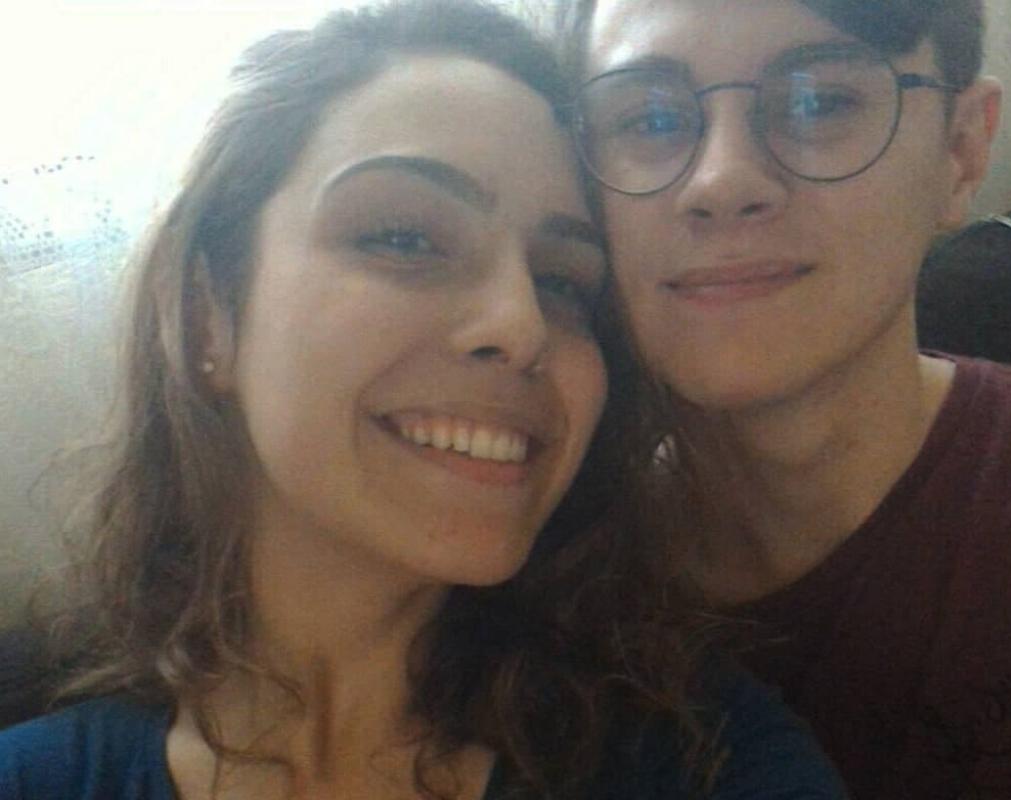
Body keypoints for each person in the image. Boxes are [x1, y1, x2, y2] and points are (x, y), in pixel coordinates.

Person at [0, 2, 849, 798]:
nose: (521, 325)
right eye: (405, 238)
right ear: (204, 317)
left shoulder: (707, 758)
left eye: (562, 282)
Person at [556, 0, 1011, 797]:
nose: (721, 181)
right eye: (648, 119)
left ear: (959, 151)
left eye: (819, 102)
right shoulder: (526, 582)